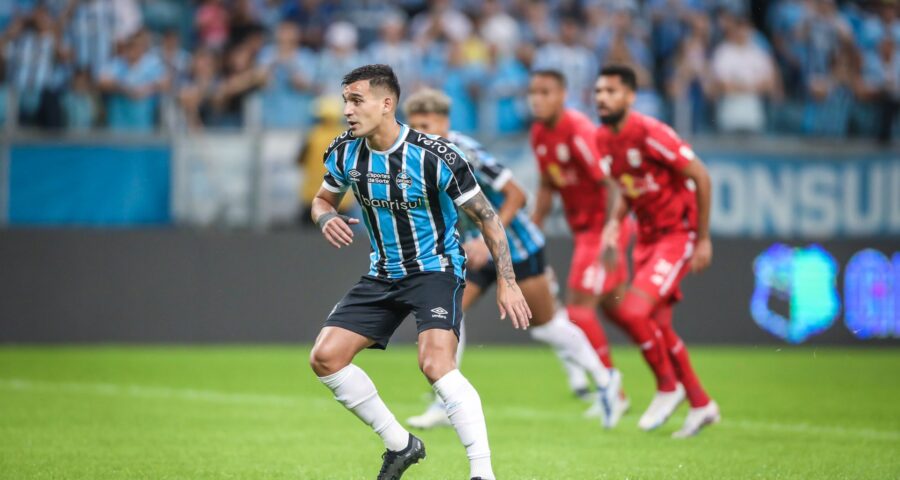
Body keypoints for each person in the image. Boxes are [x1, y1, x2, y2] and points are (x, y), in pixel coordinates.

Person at [309, 64, 531, 480]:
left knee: (435, 364)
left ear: (386, 103)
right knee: (325, 357)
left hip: (436, 271)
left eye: (356, 100)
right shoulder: (344, 151)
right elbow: (322, 200)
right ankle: (401, 445)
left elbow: (487, 216)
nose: (348, 110)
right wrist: (324, 218)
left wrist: (508, 281)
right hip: (381, 274)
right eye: (345, 101)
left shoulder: (435, 156)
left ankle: (483, 473)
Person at [401, 88, 623, 430]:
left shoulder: (468, 152)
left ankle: (606, 380)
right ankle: (446, 400)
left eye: (426, 125)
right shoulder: (418, 157)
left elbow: (517, 194)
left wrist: (485, 238)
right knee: (446, 314)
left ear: (444, 123)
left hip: (515, 248)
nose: (420, 134)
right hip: (477, 252)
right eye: (414, 127)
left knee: (547, 327)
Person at [529, 70, 679, 415]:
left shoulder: (578, 131)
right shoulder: (539, 133)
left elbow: (610, 183)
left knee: (579, 310)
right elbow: (548, 185)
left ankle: (613, 391)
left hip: (601, 231)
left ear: (562, 95)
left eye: (545, 92)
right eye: (533, 92)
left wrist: (611, 232)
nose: (537, 99)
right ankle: (669, 378)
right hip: (585, 231)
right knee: (617, 308)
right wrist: (533, 228)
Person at [594, 64, 720, 438]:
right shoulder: (603, 139)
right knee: (660, 326)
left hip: (676, 235)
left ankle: (668, 387)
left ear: (630, 97)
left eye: (612, 91)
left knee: (633, 310)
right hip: (646, 240)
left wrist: (703, 238)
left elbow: (701, 176)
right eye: (599, 91)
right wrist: (615, 223)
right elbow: (625, 187)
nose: (603, 97)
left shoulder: (650, 132)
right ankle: (701, 404)